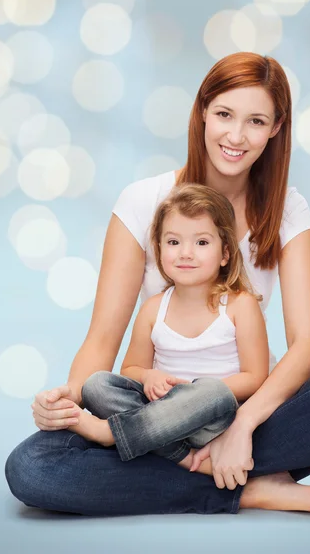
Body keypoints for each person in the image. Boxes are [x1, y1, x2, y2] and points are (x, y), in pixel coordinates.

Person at [5, 51, 310, 519]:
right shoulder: (142, 201)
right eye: (225, 115)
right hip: (152, 413)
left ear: (276, 128)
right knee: (32, 467)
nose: (236, 136)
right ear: (202, 113)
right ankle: (243, 488)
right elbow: (104, 340)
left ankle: (205, 469)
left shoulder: (289, 212)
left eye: (255, 121)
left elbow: (306, 347)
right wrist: (69, 401)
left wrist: (243, 426)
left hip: (242, 409)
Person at [73, 183, 271, 474]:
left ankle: (110, 434)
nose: (185, 253)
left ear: (225, 253)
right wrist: (150, 375)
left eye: (201, 243)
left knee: (213, 392)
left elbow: (255, 378)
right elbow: (130, 369)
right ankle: (179, 455)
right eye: (173, 242)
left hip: (212, 420)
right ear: (159, 249)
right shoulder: (153, 309)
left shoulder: (241, 306)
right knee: (96, 385)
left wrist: (190, 393)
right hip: (160, 416)